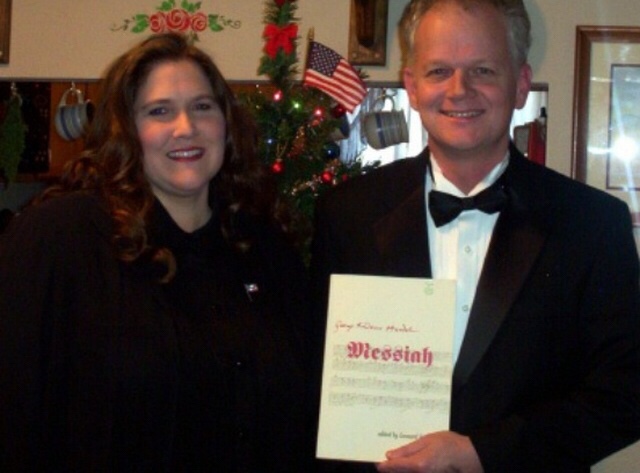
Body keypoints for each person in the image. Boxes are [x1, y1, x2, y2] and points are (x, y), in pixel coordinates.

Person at [309, 1, 640, 472]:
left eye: (483, 70)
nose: (458, 90)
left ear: (520, 84)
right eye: (439, 71)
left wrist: (482, 452)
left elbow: (626, 392)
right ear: (412, 86)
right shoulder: (348, 214)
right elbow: (319, 373)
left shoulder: (591, 223)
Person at [0, 33, 314, 472]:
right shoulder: (61, 237)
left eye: (202, 106)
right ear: (125, 130)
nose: (186, 127)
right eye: (159, 111)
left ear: (226, 123)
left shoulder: (264, 246)